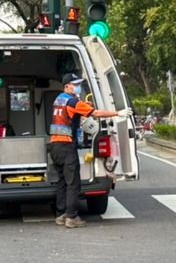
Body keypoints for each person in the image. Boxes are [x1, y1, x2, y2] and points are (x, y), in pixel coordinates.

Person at [49, 73, 128, 228]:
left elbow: (71, 116)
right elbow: (96, 113)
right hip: (66, 146)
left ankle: (61, 214)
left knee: (62, 182)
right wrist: (118, 113)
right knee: (73, 183)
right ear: (67, 86)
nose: (77, 87)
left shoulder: (58, 99)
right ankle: (71, 217)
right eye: (75, 84)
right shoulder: (73, 101)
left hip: (54, 145)